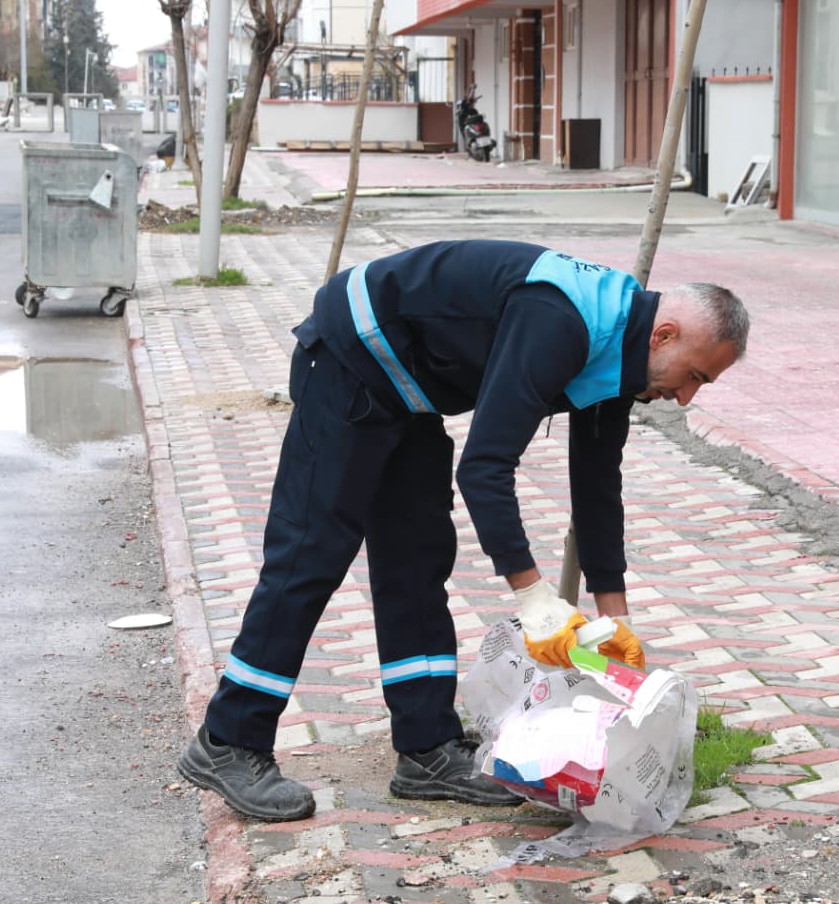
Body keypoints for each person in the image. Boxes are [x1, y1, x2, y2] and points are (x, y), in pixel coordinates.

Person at [177, 240, 749, 821]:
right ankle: (228, 740)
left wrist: (614, 621)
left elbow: (598, 490)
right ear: (664, 335)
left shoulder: (618, 351)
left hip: (410, 390)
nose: (685, 397)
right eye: (694, 375)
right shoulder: (562, 321)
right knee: (309, 556)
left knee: (417, 560)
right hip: (351, 360)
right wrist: (534, 601)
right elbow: (485, 469)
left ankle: (426, 750)